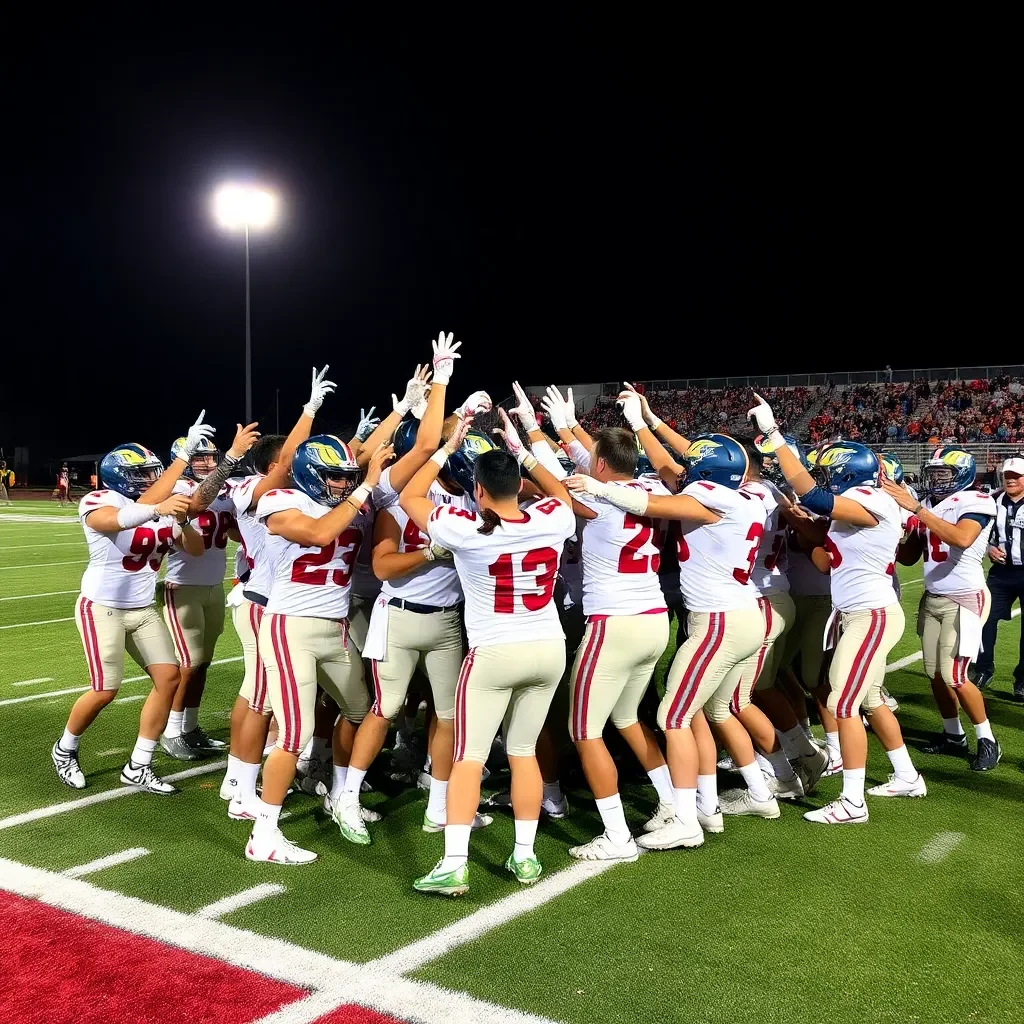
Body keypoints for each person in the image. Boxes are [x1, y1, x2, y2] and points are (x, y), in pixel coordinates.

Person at [569, 428, 774, 849]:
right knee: (697, 711)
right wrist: (644, 423)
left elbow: (645, 499)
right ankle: (713, 805)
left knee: (674, 716)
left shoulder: (713, 499)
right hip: (737, 612)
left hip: (719, 621)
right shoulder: (751, 494)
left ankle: (686, 819)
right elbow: (665, 470)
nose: (684, 468)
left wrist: (598, 487)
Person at [401, 420, 576, 896]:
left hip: (494, 651)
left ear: (477, 489)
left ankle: (454, 863)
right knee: (522, 753)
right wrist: (528, 449)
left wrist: (445, 449)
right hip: (547, 648)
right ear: (519, 484)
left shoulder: (464, 527)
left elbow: (409, 497)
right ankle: (524, 853)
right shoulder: (552, 517)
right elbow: (560, 490)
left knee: (468, 758)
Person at [749, 394, 925, 825]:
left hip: (872, 615)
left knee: (842, 701)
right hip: (856, 613)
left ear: (849, 472)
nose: (825, 478)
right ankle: (906, 775)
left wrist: (774, 437)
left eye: (830, 471)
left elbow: (813, 492)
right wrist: (804, 525)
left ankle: (852, 803)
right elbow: (826, 561)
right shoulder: (860, 505)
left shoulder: (875, 500)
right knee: (867, 700)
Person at [245, 436, 394, 864]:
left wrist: (404, 409)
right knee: (295, 733)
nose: (341, 485)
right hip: (290, 627)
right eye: (334, 476)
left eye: (346, 478)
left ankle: (340, 793)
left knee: (360, 710)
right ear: (310, 473)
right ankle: (264, 833)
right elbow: (317, 532)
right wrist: (364, 486)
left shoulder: (351, 501)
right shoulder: (281, 499)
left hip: (335, 627)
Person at [51, 413, 214, 794]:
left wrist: (182, 521)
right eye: (148, 472)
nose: (158, 478)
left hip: (142, 609)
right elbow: (116, 520)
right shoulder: (102, 498)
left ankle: (139, 764)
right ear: (127, 476)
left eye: (158, 470)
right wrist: (161, 509)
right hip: (102, 607)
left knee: (169, 679)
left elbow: (196, 548)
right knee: (105, 689)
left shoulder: (157, 507)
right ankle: (65, 748)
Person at [218, 367, 339, 817]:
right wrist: (308, 411)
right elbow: (290, 462)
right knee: (259, 699)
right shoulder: (256, 490)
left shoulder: (290, 494)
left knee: (261, 698)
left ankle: (241, 779)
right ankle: (241, 786)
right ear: (273, 467)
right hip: (263, 604)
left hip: (274, 601)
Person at [556, 425, 674, 863]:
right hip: (653, 618)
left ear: (599, 464)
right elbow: (605, 469)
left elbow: (557, 488)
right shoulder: (649, 487)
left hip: (613, 623)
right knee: (626, 717)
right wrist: (571, 436)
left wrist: (531, 443)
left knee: (584, 731)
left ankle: (617, 836)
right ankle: (670, 804)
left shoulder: (597, 501)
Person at [882, 447, 1000, 770]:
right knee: (934, 673)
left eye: (943, 474)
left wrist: (917, 510)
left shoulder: (976, 500)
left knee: (956, 675)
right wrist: (895, 526)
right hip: (932, 597)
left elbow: (961, 539)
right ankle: (953, 735)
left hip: (964, 597)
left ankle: (987, 739)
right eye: (933, 473)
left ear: (962, 474)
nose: (936, 480)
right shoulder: (931, 505)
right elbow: (909, 556)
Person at [159, 424, 259, 759]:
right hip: (182, 586)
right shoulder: (177, 488)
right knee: (188, 663)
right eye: (199, 457)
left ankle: (189, 726)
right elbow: (195, 508)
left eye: (209, 456)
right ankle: (171, 731)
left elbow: (230, 534)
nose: (206, 462)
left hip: (214, 585)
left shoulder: (222, 489)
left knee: (203, 663)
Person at [973, 456, 1024, 699]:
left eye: (1017, 476)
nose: (1011, 480)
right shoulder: (991, 500)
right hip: (1001, 573)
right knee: (984, 619)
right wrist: (989, 549)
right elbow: (979, 535)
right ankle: (983, 669)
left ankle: (1022, 680)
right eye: (1008, 476)